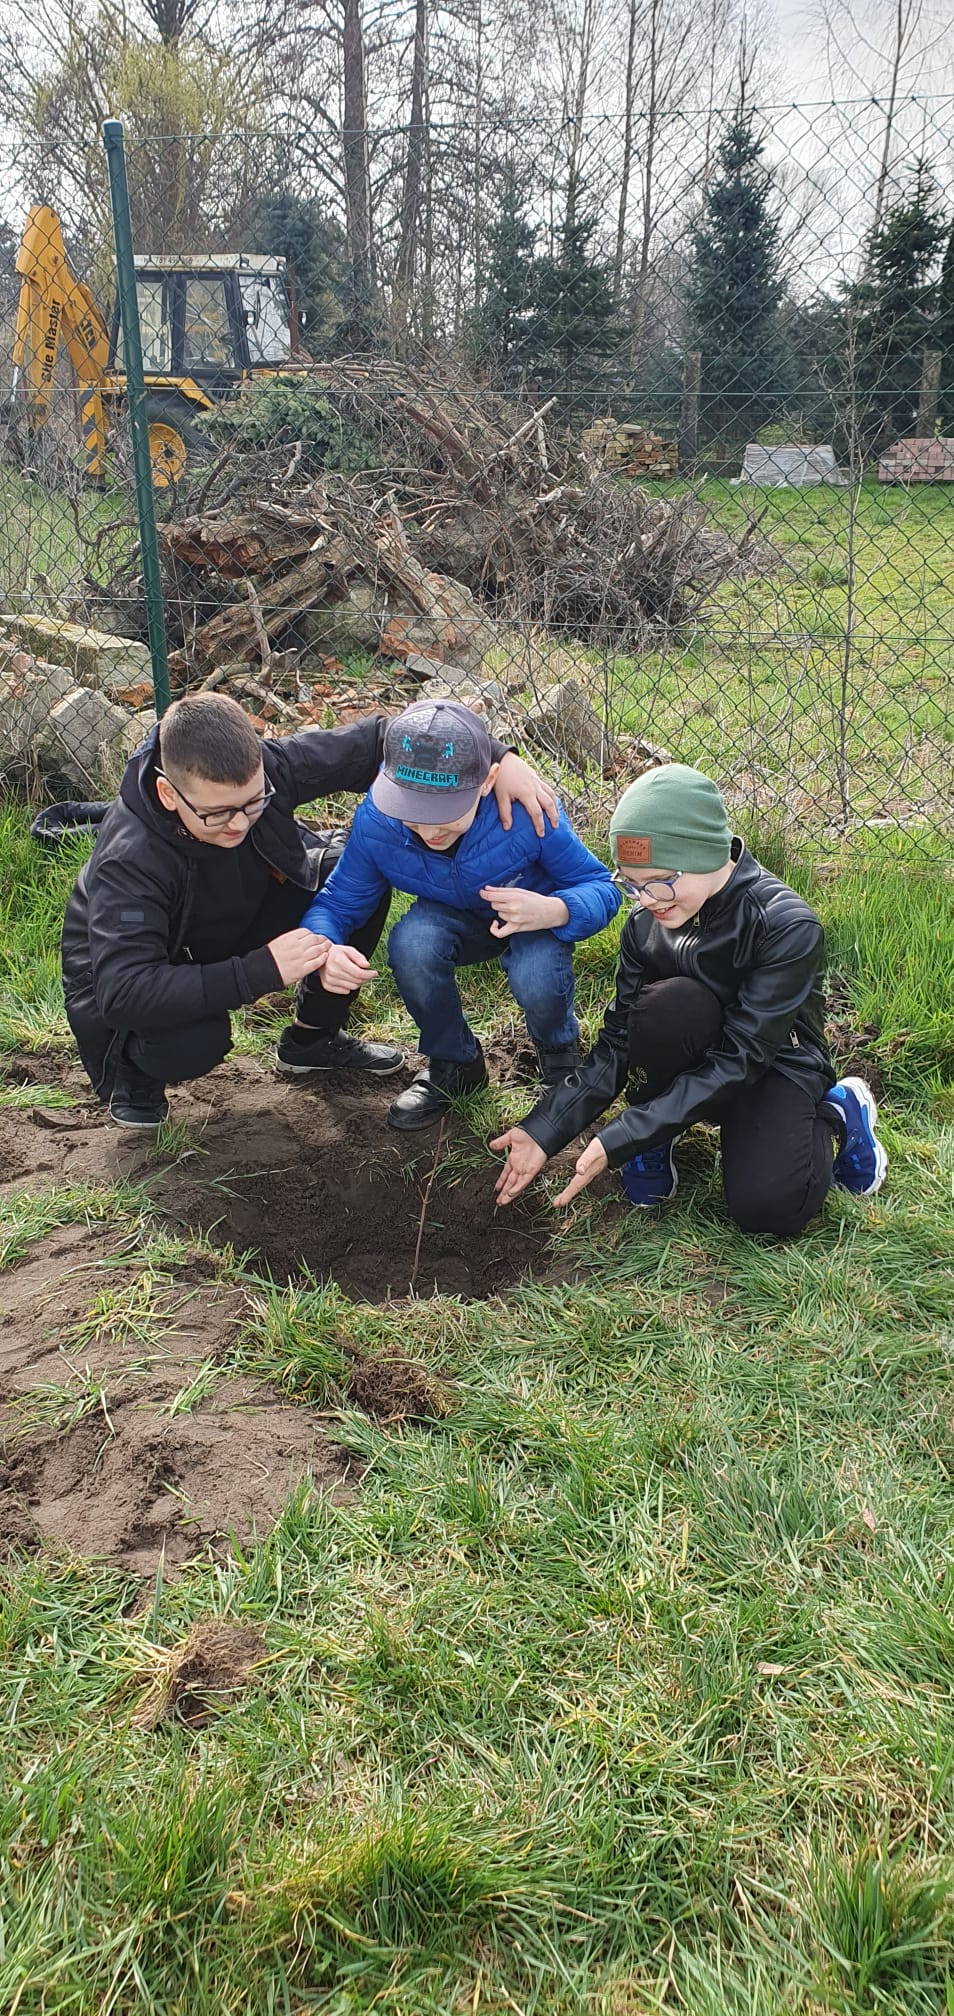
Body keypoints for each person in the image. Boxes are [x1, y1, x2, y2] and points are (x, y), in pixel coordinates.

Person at [61, 691, 559, 1129]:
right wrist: (263, 969)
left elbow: (383, 738)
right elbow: (123, 991)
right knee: (194, 1041)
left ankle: (311, 1040)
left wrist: (501, 756)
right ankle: (135, 1077)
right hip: (141, 978)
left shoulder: (272, 768)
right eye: (217, 813)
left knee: (353, 880)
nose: (239, 825)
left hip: (232, 916)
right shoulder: (129, 860)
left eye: (253, 804)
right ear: (170, 794)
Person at [492, 762, 887, 1235]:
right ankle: (659, 1129)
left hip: (771, 1062)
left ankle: (842, 1112)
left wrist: (624, 1133)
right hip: (696, 1045)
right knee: (666, 1007)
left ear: (703, 854)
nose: (647, 899)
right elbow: (618, 1043)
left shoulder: (784, 925)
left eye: (658, 881)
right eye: (631, 884)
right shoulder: (645, 927)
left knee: (769, 1209)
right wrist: (544, 1129)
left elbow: (743, 1058)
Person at [300, 699, 621, 1130]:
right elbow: (338, 901)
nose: (430, 830)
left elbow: (602, 887)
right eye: (414, 813)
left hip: (534, 918)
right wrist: (326, 948)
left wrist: (555, 909)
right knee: (412, 943)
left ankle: (560, 1059)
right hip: (453, 917)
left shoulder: (528, 814)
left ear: (488, 782)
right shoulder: (379, 822)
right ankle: (455, 1063)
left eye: (446, 813)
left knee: (536, 971)